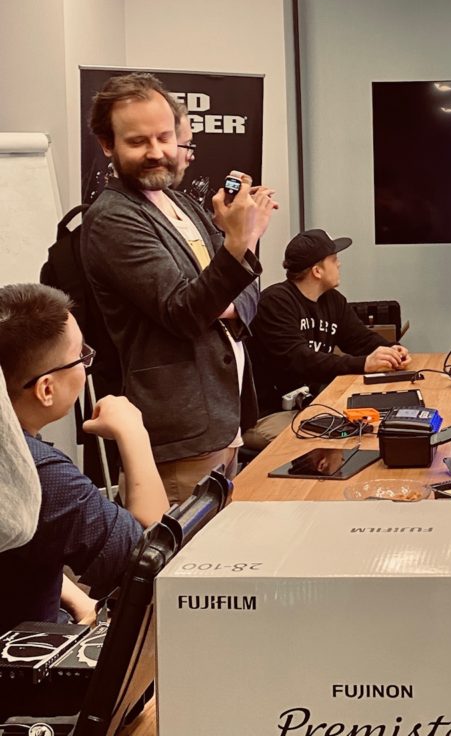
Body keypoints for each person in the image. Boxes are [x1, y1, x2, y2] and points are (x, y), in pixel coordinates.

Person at [81, 72, 277, 503]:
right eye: (138, 141)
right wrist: (240, 242)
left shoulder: (181, 201)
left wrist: (232, 266)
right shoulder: (113, 219)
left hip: (225, 419)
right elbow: (185, 311)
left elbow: (247, 289)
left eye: (164, 137)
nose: (156, 152)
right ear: (107, 144)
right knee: (191, 544)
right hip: (181, 436)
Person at [0, 283, 169, 634]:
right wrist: (134, 434)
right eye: (81, 356)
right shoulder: (38, 474)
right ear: (46, 389)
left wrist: (73, 594)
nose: (87, 364)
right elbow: (155, 560)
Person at [250, 230, 410, 439]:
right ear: (317, 271)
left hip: (311, 404)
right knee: (330, 440)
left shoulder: (333, 300)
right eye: (334, 260)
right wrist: (363, 363)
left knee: (366, 428)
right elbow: (300, 361)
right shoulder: (275, 302)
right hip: (270, 413)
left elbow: (360, 339)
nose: (339, 264)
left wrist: (391, 351)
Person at [0, 371, 41, 554]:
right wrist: (125, 431)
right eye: (81, 359)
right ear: (46, 389)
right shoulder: (54, 473)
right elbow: (125, 550)